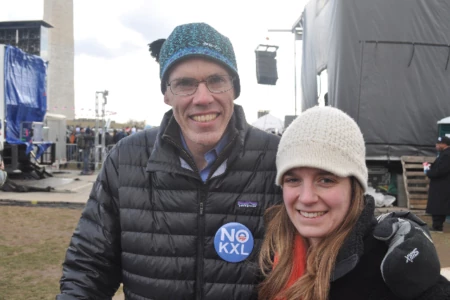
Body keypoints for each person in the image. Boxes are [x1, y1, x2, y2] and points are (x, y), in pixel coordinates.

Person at [57, 23, 441, 300]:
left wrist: (388, 234)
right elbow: (88, 268)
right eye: (185, 83)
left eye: (216, 80)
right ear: (166, 94)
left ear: (234, 88)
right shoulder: (127, 159)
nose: (202, 97)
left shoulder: (276, 159)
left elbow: (333, 217)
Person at [258, 106, 450, 300]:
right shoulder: (267, 253)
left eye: (326, 180)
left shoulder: (394, 270)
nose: (307, 198)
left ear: (354, 187)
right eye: (293, 179)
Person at [425, 136, 450, 233]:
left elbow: (441, 171)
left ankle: (437, 226)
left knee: (439, 205)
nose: (437, 145)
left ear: (444, 144)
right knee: (439, 205)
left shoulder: (447, 155)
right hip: (441, 185)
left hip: (442, 185)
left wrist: (428, 172)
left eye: (438, 144)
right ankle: (437, 225)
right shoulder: (444, 154)